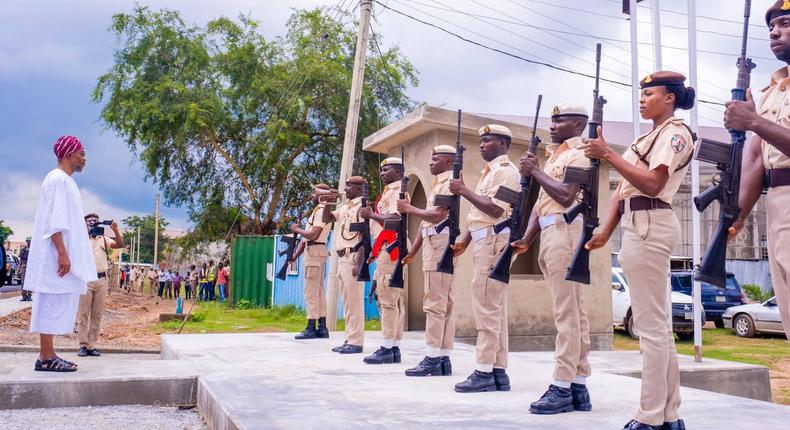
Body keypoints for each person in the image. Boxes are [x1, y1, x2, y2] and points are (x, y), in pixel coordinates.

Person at [583, 71, 695, 430]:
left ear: (671, 99)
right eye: (641, 93)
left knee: (651, 327)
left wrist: (608, 154)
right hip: (636, 225)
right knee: (656, 325)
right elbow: (623, 191)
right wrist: (606, 231)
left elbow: (651, 183)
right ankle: (669, 414)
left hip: (652, 223)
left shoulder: (675, 134)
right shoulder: (647, 136)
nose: (643, 98)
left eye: (650, 93)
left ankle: (650, 417)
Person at [510, 105, 593, 414]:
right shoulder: (555, 156)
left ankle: (561, 385)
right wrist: (527, 237)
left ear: (578, 123)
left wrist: (535, 172)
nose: (553, 124)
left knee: (567, 314)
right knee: (574, 312)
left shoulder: (580, 154)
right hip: (549, 233)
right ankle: (579, 385)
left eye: (559, 120)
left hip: (565, 231)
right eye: (552, 119)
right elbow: (541, 204)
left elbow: (566, 195)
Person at [723, 1, 790, 345]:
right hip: (777, 204)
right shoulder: (771, 93)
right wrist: (735, 218)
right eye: (771, 27)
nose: (775, 32)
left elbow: (757, 129)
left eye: (785, 23)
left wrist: (752, 121)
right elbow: (753, 159)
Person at [448, 124, 519, 393]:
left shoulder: (507, 172)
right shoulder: (490, 173)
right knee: (494, 307)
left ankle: (484, 370)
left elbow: (493, 209)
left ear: (502, 143)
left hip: (493, 240)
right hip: (483, 239)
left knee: (486, 304)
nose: (482, 144)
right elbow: (479, 211)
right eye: (481, 140)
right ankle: (498, 371)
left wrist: (463, 190)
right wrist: (465, 239)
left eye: (487, 140)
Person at [24, 135, 97, 372]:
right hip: (56, 256)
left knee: (58, 301)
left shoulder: (64, 181)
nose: (84, 158)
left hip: (60, 255)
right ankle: (45, 357)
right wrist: (63, 254)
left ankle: (49, 354)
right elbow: (54, 222)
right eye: (81, 153)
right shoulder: (58, 180)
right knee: (50, 302)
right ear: (67, 155)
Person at [397, 145, 457, 376]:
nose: (431, 162)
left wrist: (409, 208)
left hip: (439, 245)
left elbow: (437, 216)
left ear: (449, 162)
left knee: (435, 304)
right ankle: (442, 358)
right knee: (444, 305)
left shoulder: (447, 183)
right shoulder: (439, 183)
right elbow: (426, 224)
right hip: (435, 243)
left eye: (436, 158)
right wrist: (412, 251)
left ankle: (433, 357)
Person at [360, 157, 408, 365]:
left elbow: (395, 221)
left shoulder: (398, 192)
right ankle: (393, 346)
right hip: (386, 247)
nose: (381, 173)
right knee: (391, 299)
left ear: (397, 172)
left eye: (386, 169)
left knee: (388, 299)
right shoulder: (389, 192)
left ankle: (388, 347)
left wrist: (370, 214)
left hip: (392, 249)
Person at [322, 176, 368, 354]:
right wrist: (327, 202)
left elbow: (365, 237)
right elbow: (327, 219)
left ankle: (356, 341)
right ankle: (349, 338)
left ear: (358, 189)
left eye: (349, 186)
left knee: (354, 302)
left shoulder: (362, 208)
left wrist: (359, 261)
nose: (346, 189)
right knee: (347, 302)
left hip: (353, 255)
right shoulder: (346, 207)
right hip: (341, 257)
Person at [289, 184, 332, 339]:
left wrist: (296, 229)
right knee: (319, 291)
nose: (312, 195)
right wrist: (294, 256)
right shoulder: (320, 211)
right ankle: (322, 327)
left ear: (320, 195)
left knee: (311, 292)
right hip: (316, 250)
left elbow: (313, 235)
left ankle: (310, 328)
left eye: (314, 192)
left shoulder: (320, 211)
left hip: (314, 251)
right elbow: (305, 240)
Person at [78, 213, 124, 357]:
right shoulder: (80, 238)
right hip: (85, 280)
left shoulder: (103, 239)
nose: (93, 224)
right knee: (83, 314)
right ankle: (83, 345)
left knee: (97, 315)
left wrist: (116, 230)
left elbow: (119, 245)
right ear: (85, 223)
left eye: (96, 222)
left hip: (101, 280)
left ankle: (92, 345)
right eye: (91, 222)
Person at [18, 237, 32, 301]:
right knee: (23, 282)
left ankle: (29, 296)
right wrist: (18, 268)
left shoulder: (34, 249)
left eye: (30, 241)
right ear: (26, 241)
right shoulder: (23, 249)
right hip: (24, 267)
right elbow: (20, 259)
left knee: (30, 281)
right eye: (27, 241)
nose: (28, 242)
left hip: (31, 267)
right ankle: (23, 296)